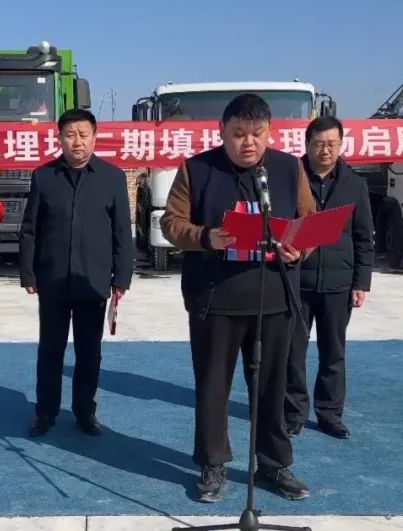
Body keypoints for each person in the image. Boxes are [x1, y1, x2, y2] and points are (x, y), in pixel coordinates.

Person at [159, 94, 316, 502]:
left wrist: (300, 249)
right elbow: (171, 222)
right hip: (216, 300)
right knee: (213, 387)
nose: (248, 142)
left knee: (272, 387)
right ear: (222, 132)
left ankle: (274, 463)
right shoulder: (197, 169)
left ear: (270, 133)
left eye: (257, 134)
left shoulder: (288, 168)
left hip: (275, 298)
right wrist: (205, 236)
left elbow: (308, 221)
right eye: (239, 134)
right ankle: (213, 464)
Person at [19, 108, 134, 437]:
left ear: (95, 137)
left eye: (83, 135)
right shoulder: (44, 177)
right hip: (52, 280)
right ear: (60, 139)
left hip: (93, 281)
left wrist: (121, 278)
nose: (77, 142)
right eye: (70, 135)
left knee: (89, 352)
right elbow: (30, 230)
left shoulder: (112, 177)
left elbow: (122, 233)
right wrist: (28, 273)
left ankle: (85, 411)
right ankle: (45, 412)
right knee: (50, 350)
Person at [284, 116, 374, 439]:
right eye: (319, 144)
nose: (326, 150)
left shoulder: (354, 184)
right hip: (297, 281)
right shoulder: (290, 178)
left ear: (341, 145)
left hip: (339, 283)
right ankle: (293, 413)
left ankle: (330, 414)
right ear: (307, 145)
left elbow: (364, 237)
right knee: (292, 352)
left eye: (332, 144)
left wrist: (361, 282)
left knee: (333, 352)